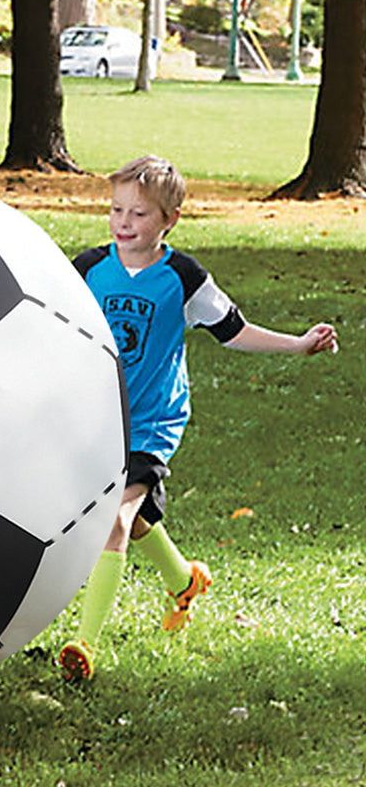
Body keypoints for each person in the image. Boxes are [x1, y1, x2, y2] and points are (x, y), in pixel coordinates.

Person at [58, 155, 338, 682]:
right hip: (98, 420)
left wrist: (299, 346)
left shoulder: (182, 277)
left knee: (113, 520)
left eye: (139, 214)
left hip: (152, 422)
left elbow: (235, 330)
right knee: (136, 520)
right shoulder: (88, 267)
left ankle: (84, 645)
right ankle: (184, 580)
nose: (123, 223)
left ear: (170, 220)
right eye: (116, 209)